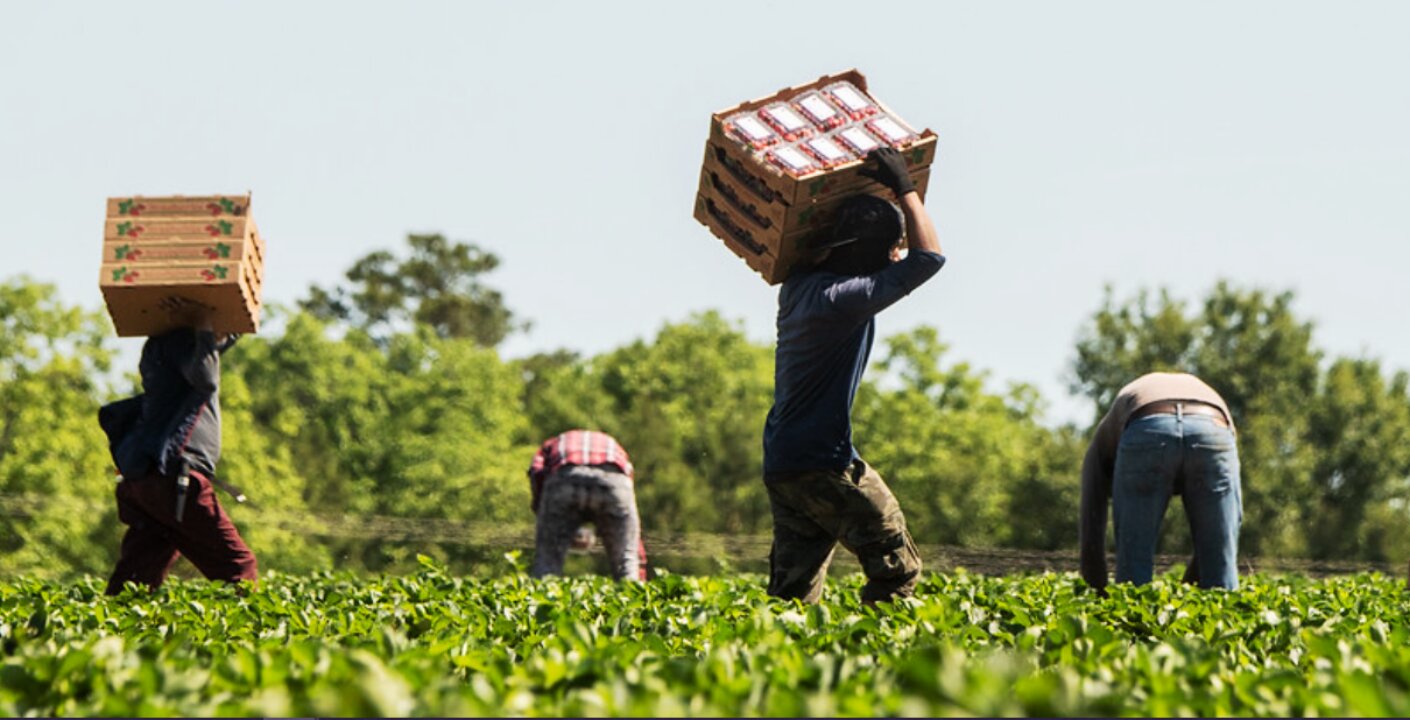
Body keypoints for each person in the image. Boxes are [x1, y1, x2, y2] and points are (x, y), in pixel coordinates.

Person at [762, 147, 946, 604]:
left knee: (793, 593)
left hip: (784, 460)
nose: (895, 256)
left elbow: (826, 243)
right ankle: (881, 666)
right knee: (896, 568)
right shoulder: (846, 299)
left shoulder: (799, 287)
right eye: (890, 249)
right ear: (874, 254)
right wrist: (905, 185)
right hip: (825, 460)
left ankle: (778, 668)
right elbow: (929, 260)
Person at [104, 314, 258, 594]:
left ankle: (109, 631)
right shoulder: (184, 343)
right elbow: (205, 377)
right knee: (238, 567)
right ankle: (246, 635)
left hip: (144, 482)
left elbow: (203, 357)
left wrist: (223, 332)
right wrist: (205, 327)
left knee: (138, 574)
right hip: (176, 481)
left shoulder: (160, 346)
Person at [1079, 372, 1242, 592]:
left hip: (1146, 426)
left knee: (1133, 577)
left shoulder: (1101, 445)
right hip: (1213, 429)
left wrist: (1097, 590)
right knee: (1220, 576)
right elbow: (1224, 531)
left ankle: (1134, 620)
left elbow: (1091, 523)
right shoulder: (1107, 438)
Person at [528, 429, 646, 580]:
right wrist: (637, 555)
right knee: (626, 560)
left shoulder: (550, 444)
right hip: (614, 481)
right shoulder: (614, 446)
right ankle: (635, 598)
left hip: (565, 476)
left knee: (548, 562)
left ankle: (541, 598)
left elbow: (537, 472)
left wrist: (543, 516)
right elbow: (627, 490)